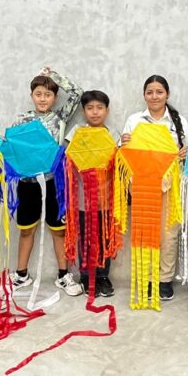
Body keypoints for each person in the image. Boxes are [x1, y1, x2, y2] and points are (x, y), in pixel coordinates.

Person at [10, 67, 84, 297]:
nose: (43, 99)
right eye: (39, 94)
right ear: (32, 95)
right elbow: (15, 149)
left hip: (54, 183)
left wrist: (55, 76)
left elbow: (77, 93)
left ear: (54, 97)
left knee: (59, 231)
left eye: (48, 94)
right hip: (28, 183)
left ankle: (63, 275)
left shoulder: (60, 117)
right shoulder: (22, 119)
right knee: (26, 230)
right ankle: (21, 274)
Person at [122, 75, 188, 301]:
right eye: (150, 92)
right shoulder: (134, 120)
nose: (154, 96)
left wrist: (185, 153)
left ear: (167, 94)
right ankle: (148, 277)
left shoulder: (178, 122)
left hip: (170, 184)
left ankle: (164, 279)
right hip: (141, 184)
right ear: (144, 95)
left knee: (168, 234)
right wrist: (123, 143)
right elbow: (123, 153)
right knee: (145, 233)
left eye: (159, 92)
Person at [64, 90, 121, 297]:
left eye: (99, 108)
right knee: (85, 239)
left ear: (107, 110)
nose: (95, 112)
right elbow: (66, 159)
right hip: (82, 198)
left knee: (104, 237)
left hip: (106, 198)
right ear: (83, 111)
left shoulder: (113, 134)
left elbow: (120, 162)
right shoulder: (76, 132)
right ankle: (86, 276)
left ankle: (103, 276)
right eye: (90, 108)